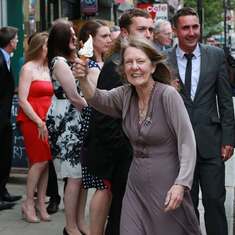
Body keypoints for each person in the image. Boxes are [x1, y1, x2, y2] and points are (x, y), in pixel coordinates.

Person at [74, 36, 202, 235]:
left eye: (140, 61)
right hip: (135, 184)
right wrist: (82, 79)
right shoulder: (125, 94)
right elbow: (97, 99)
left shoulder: (168, 95)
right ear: (123, 69)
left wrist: (181, 183)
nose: (135, 67)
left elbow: (187, 142)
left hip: (166, 182)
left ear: (152, 66)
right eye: (129, 62)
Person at [80, 8, 154, 235]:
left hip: (132, 157)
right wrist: (130, 153)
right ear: (124, 33)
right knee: (122, 218)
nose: (148, 34)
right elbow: (104, 117)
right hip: (122, 159)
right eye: (142, 29)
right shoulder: (116, 65)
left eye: (151, 29)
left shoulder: (137, 61)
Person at [167, 7, 235, 235]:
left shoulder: (215, 56)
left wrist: (229, 138)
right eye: (185, 27)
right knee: (186, 204)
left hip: (211, 142)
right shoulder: (163, 61)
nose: (191, 32)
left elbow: (225, 101)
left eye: (195, 27)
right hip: (177, 144)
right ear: (176, 30)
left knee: (215, 200)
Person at [46, 19, 89, 235]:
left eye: (75, 33)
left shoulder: (76, 59)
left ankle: (80, 222)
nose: (75, 37)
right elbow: (73, 96)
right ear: (62, 38)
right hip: (68, 121)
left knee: (81, 176)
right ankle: (70, 227)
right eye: (70, 34)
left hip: (79, 119)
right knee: (73, 175)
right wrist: (94, 110)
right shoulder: (59, 62)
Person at [77, 20, 112, 235]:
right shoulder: (88, 66)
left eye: (110, 35)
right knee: (102, 186)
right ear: (91, 39)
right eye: (104, 36)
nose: (109, 40)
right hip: (98, 127)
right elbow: (95, 99)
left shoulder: (105, 63)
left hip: (108, 125)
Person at [17, 32, 52, 223]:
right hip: (33, 120)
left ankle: (40, 204)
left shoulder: (49, 68)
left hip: (48, 120)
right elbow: (22, 100)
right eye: (47, 45)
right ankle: (28, 203)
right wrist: (39, 121)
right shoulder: (27, 68)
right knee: (39, 161)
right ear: (39, 47)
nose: (50, 49)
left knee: (46, 162)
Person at [0, 26, 22, 211]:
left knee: (5, 155)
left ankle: (3, 191)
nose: (17, 42)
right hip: (1, 117)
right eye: (16, 39)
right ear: (9, 42)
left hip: (4, 117)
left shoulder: (6, 58)